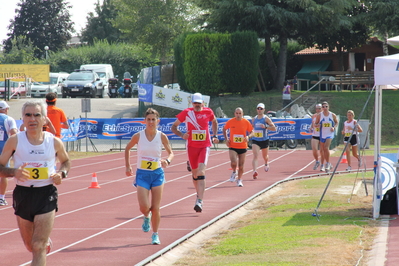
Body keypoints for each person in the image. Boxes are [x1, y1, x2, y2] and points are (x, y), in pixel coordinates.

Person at [0, 100, 70, 265]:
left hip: (46, 194)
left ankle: (43, 241)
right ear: (22, 119)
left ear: (45, 119)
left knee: (38, 245)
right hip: (23, 194)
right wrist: (13, 172)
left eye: (37, 115)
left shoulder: (53, 142)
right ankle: (43, 241)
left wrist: (62, 173)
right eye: (28, 115)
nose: (32, 119)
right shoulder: (15, 141)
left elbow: (66, 161)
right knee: (31, 245)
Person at [125, 108, 174, 245]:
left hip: (157, 174)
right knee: (144, 207)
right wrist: (128, 166)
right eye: (149, 119)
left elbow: (171, 153)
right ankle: (146, 216)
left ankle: (155, 234)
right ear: (144, 121)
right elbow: (128, 148)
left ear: (157, 121)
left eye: (153, 119)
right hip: (142, 175)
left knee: (156, 207)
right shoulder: (138, 136)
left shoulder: (162, 136)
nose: (151, 122)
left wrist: (167, 160)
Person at [171, 93, 219, 212]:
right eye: (195, 103)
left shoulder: (208, 112)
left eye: (199, 102)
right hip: (191, 146)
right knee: (195, 174)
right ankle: (199, 193)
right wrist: (182, 135)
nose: (197, 105)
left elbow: (215, 122)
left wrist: (215, 135)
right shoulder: (187, 112)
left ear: (203, 102)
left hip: (204, 146)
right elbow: (173, 127)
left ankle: (200, 201)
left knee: (201, 171)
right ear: (192, 103)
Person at [223, 108, 253, 187]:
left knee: (241, 165)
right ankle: (233, 171)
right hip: (233, 145)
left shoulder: (246, 122)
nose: (238, 115)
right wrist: (226, 139)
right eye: (237, 113)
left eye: (240, 113)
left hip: (243, 146)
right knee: (233, 163)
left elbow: (252, 132)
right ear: (234, 113)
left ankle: (239, 180)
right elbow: (224, 128)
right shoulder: (231, 121)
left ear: (242, 114)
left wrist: (248, 137)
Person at [251, 103, 276, 179]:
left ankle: (266, 162)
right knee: (255, 155)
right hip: (255, 139)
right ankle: (254, 171)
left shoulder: (266, 119)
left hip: (264, 140)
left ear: (264, 110)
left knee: (265, 156)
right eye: (258, 108)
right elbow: (251, 128)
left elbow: (274, 128)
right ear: (256, 109)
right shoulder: (254, 119)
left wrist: (265, 127)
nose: (259, 110)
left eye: (261, 109)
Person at [0, 101, 18, 206]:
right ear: (5, 109)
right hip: (4, 149)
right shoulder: (9, 119)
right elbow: (14, 133)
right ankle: (1, 197)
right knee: (3, 174)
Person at [315, 101, 338, 172]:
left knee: (326, 147)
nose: (325, 108)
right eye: (323, 107)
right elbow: (316, 123)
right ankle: (325, 164)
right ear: (322, 108)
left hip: (330, 134)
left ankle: (327, 163)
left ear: (328, 107)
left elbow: (336, 122)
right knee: (322, 150)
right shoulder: (319, 115)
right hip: (322, 134)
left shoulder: (332, 115)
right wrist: (317, 125)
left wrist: (334, 127)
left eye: (326, 107)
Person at [309, 104, 324, 171]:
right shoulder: (314, 116)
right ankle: (317, 161)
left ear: (322, 109)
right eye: (317, 108)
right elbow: (312, 123)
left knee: (322, 151)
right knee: (314, 149)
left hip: (322, 135)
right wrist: (311, 127)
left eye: (319, 108)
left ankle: (323, 164)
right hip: (315, 134)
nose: (318, 110)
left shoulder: (324, 116)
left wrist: (320, 125)